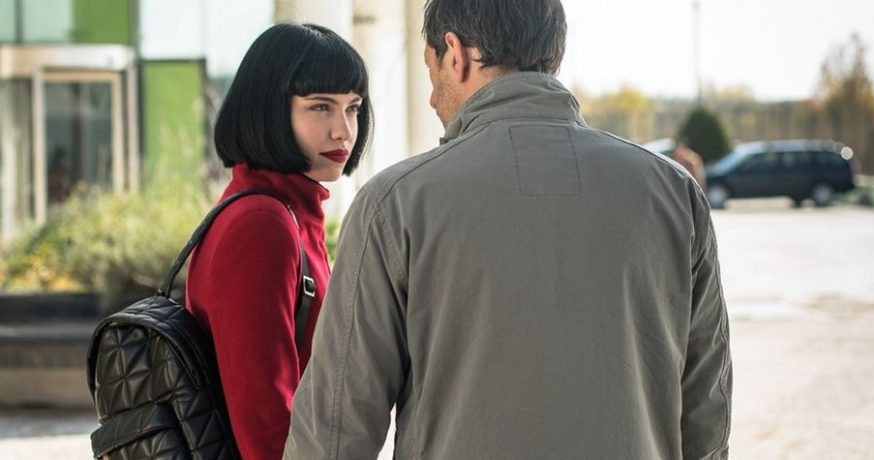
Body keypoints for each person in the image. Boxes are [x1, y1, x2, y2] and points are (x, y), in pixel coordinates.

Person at [285, 1, 731, 458]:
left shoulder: (394, 204)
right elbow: (706, 414)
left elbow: (334, 433)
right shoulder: (675, 195)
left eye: (431, 71)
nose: (432, 99)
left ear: (456, 54)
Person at [185, 23, 371, 460]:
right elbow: (266, 425)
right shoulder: (262, 223)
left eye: (353, 108)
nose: (344, 131)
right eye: (320, 107)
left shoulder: (287, 212)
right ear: (268, 109)